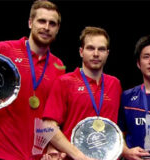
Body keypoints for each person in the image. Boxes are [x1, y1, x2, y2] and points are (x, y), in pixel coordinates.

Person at [0, 1, 66, 159]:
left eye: (52, 23)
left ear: (57, 29)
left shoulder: (59, 67)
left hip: (37, 157)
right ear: (30, 23)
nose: (46, 27)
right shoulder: (4, 50)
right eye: (42, 21)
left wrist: (51, 148)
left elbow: (51, 119)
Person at [41, 26, 122, 159]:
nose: (96, 53)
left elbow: (117, 128)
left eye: (101, 49)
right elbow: (47, 126)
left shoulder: (115, 84)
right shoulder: (65, 82)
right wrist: (78, 155)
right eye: (90, 48)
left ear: (107, 53)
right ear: (81, 51)